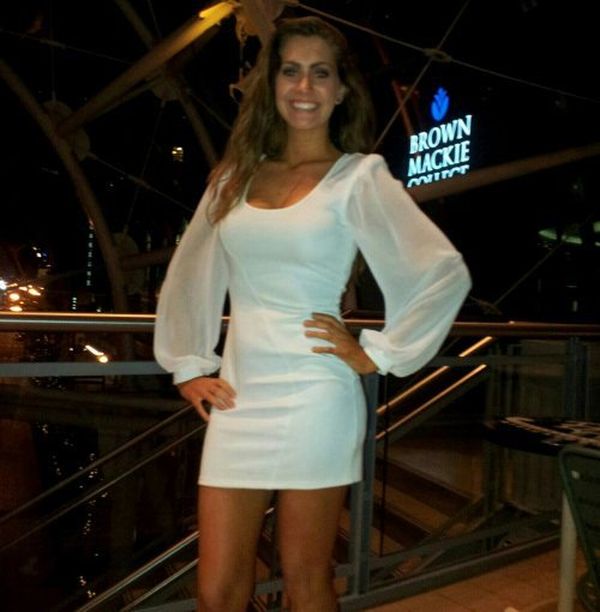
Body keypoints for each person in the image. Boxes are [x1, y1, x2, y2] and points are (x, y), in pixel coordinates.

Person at [154, 15, 471, 612]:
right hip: (240, 397)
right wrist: (188, 363)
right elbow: (192, 271)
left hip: (317, 396)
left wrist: (376, 352)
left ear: (341, 89)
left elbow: (441, 270)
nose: (304, 87)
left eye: (320, 73)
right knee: (216, 591)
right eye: (291, 71)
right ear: (272, 84)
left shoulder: (358, 177)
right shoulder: (232, 179)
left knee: (306, 582)